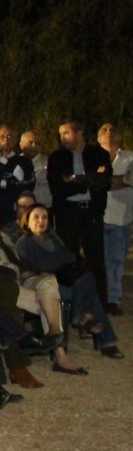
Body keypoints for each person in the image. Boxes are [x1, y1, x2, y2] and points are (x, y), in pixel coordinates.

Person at [0, 203, 69, 384]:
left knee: (49, 285)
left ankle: (56, 340)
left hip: (19, 281)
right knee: (21, 305)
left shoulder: (5, 238)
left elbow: (19, 263)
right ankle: (26, 363)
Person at [16, 204, 121, 360]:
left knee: (88, 277)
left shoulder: (52, 237)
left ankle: (83, 317)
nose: (41, 221)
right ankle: (103, 338)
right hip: (46, 282)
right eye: (36, 217)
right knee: (90, 296)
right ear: (27, 221)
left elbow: (71, 256)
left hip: (65, 278)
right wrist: (59, 261)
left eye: (44, 217)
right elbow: (43, 265)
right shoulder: (25, 242)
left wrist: (58, 261)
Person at [48, 118, 112, 302]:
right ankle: (70, 301)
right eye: (60, 134)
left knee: (95, 259)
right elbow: (58, 188)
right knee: (68, 259)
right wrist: (87, 180)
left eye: (66, 133)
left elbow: (104, 181)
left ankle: (100, 304)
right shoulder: (56, 158)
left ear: (79, 133)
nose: (62, 137)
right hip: (67, 215)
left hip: (91, 213)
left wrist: (74, 179)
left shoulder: (98, 154)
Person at [98, 123, 131, 314]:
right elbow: (92, 180)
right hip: (96, 216)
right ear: (97, 137)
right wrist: (123, 180)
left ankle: (112, 299)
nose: (109, 132)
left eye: (113, 129)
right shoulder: (93, 157)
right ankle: (99, 298)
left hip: (121, 218)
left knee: (116, 260)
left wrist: (105, 180)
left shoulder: (130, 158)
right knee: (97, 260)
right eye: (105, 129)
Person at [0, 126, 35, 223]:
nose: (6, 139)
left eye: (10, 137)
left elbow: (28, 185)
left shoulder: (24, 162)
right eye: (2, 136)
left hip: (16, 213)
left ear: (15, 141)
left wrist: (3, 183)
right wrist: (11, 183)